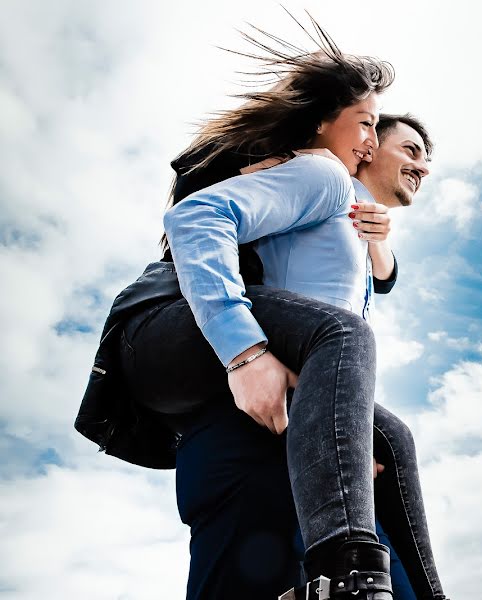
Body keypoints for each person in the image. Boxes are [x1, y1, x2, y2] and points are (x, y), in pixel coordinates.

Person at [75, 22, 446, 600]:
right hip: (239, 421)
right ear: (334, 129)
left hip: (272, 435)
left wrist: (339, 438)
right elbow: (200, 217)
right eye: (383, 133)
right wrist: (246, 355)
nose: (381, 146)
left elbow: (379, 275)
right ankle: (343, 563)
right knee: (344, 336)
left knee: (389, 434)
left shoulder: (352, 221)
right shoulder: (321, 172)